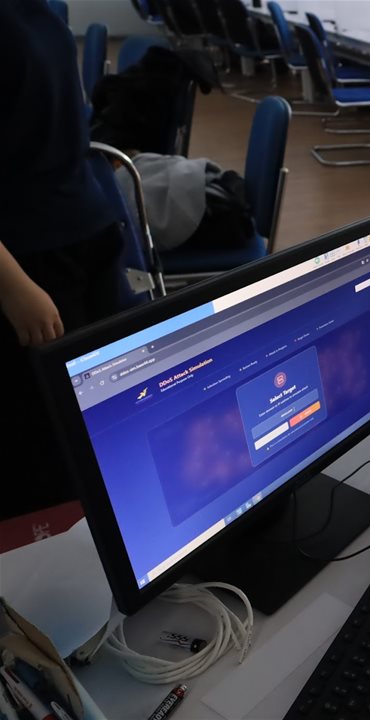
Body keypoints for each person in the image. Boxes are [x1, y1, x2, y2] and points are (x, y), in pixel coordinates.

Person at [1, 0, 126, 519]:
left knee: (115, 413)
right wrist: (12, 286)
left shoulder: (43, 6)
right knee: (49, 446)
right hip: (30, 262)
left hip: (88, 233)